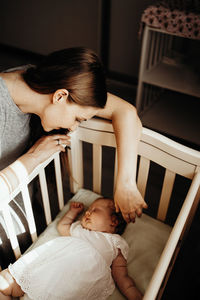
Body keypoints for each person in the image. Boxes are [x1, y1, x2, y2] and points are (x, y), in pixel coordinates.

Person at [0, 47, 147, 224]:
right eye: (78, 118)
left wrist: (126, 183)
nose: (74, 127)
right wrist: (33, 158)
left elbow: (125, 111)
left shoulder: (35, 80)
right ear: (60, 96)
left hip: (22, 207)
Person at [0, 198, 143, 300]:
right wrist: (72, 212)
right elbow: (62, 227)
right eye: (88, 210)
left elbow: (121, 275)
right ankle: (10, 284)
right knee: (13, 278)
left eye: (94, 210)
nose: (87, 213)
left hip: (80, 275)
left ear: (114, 221)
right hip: (55, 264)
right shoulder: (78, 229)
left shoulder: (115, 243)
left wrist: (132, 291)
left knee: (66, 290)